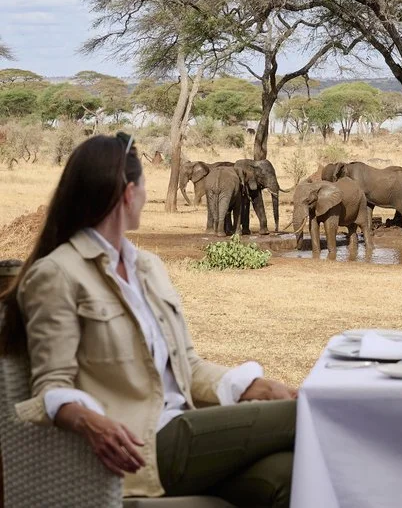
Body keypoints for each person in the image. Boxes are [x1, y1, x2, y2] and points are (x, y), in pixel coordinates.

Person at [0, 133, 296, 507]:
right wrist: (90, 422)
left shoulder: (149, 267)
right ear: (128, 194)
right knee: (303, 415)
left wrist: (256, 386)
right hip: (144, 443)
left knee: (286, 475)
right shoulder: (57, 274)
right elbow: (51, 384)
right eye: (144, 186)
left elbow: (187, 365)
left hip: (187, 425)